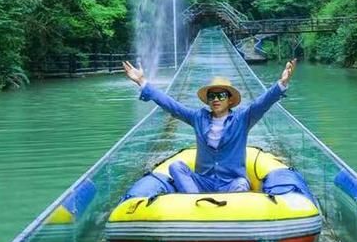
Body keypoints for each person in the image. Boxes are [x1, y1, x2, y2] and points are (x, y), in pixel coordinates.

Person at [122, 58, 296, 194]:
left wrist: (282, 83)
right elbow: (171, 105)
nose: (216, 100)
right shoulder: (198, 117)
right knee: (175, 167)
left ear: (229, 100)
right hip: (202, 181)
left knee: (242, 183)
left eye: (221, 96)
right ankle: (197, 202)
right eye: (212, 96)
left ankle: (224, 213)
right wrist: (142, 81)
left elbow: (262, 103)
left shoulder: (243, 118)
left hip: (231, 182)